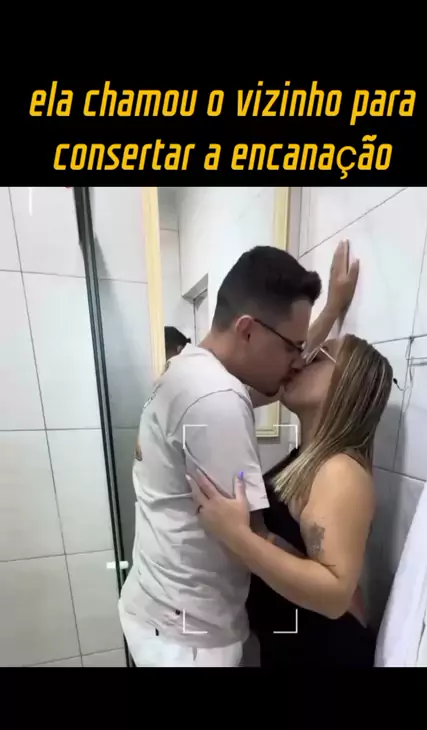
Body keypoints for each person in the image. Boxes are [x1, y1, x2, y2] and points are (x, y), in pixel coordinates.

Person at [119, 241, 357, 667]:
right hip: (189, 644)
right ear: (247, 330)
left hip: (156, 610)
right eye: (292, 348)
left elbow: (273, 377)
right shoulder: (217, 399)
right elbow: (248, 538)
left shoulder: (188, 369)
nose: (298, 362)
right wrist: (336, 592)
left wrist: (332, 309)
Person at [190, 333, 393, 668]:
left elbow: (333, 596)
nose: (298, 363)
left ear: (347, 384)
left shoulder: (341, 471)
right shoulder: (308, 459)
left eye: (317, 358)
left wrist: (236, 535)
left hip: (325, 655)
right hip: (297, 645)